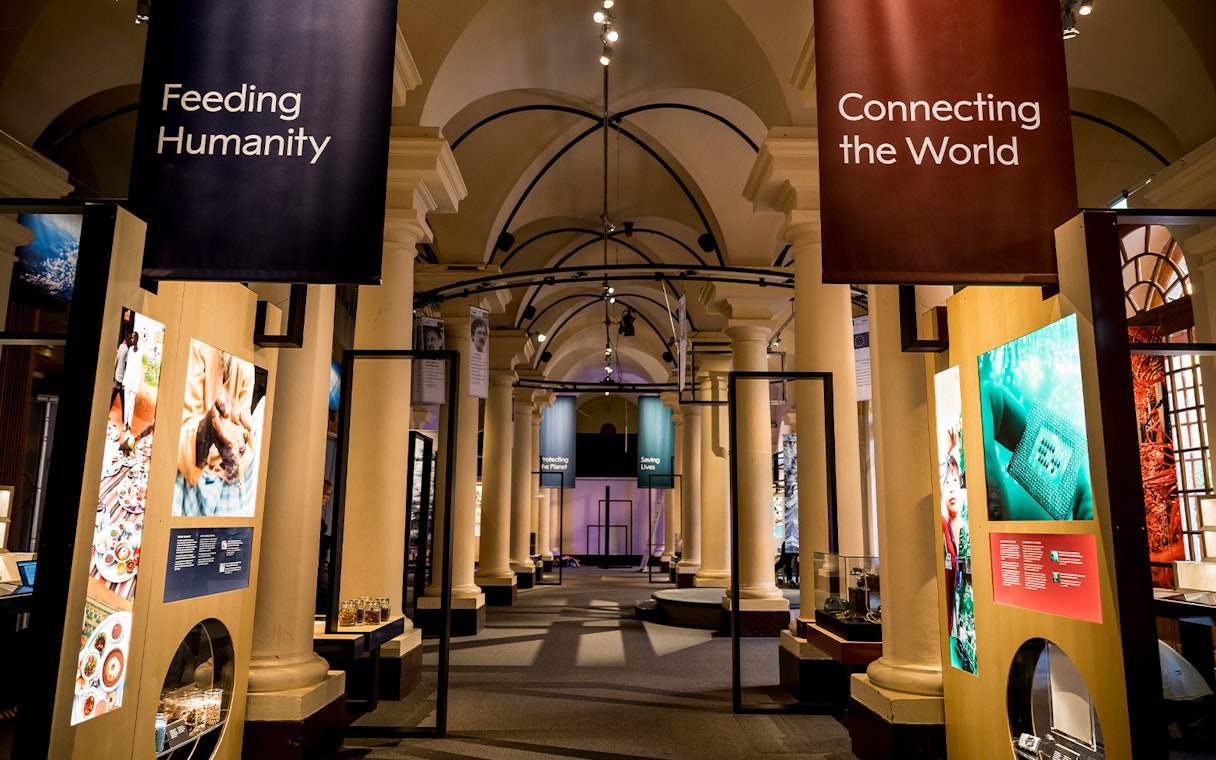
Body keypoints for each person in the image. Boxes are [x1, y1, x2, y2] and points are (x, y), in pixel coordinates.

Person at [173, 340, 260, 517]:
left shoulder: (246, 366)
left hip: (224, 478)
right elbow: (183, 424)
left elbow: (244, 430)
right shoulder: (197, 346)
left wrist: (235, 455)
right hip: (191, 467)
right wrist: (206, 429)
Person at [120, 332, 142, 432]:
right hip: (128, 381)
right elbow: (128, 367)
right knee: (127, 403)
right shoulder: (130, 350)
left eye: (133, 338)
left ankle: (129, 425)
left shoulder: (140, 352)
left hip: (133, 382)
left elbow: (138, 370)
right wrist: (124, 382)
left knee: (130, 404)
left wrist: (135, 384)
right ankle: (126, 424)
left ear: (136, 339)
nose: (131, 339)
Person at [110, 332, 128, 422]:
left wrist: (114, 373)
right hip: (121, 379)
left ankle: (107, 411)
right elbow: (125, 365)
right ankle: (124, 418)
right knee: (123, 399)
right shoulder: (127, 350)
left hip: (117, 376)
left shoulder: (120, 346)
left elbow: (116, 360)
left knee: (113, 396)